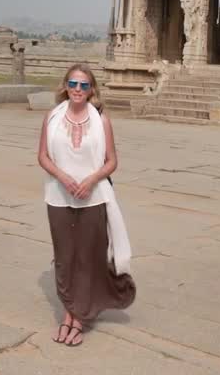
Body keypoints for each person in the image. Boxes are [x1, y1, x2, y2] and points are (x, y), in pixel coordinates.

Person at [37, 63, 136, 347]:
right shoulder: (52, 117)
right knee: (65, 257)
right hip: (58, 195)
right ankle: (69, 312)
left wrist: (91, 179)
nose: (77, 90)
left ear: (91, 89)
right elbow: (43, 156)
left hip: (94, 197)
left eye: (83, 85)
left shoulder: (101, 120)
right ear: (65, 86)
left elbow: (112, 161)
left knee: (88, 258)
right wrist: (63, 177)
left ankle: (78, 318)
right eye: (73, 84)